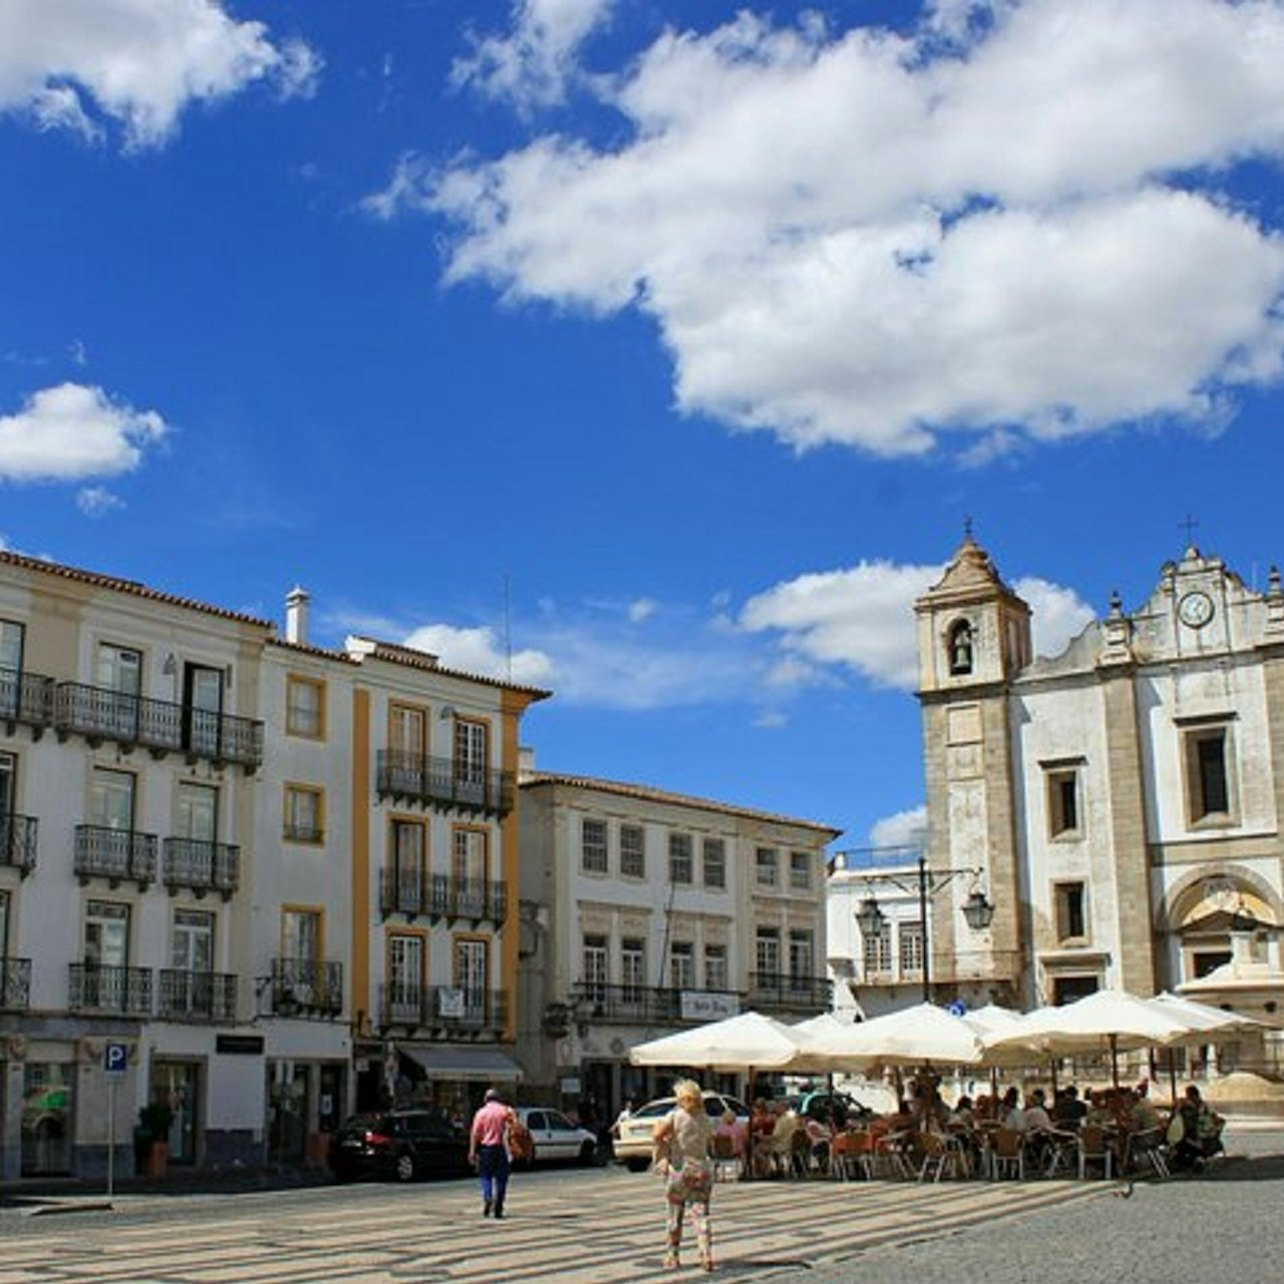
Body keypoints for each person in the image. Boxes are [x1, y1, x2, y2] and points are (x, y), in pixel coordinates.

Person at [652, 1079, 715, 1272]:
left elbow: (656, 1135)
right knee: (700, 1213)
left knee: (674, 1214)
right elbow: (709, 1142)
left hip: (680, 1170)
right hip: (702, 1170)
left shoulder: (675, 1116)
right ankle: (705, 1254)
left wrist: (665, 1140)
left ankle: (673, 1256)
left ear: (680, 1098)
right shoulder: (706, 1119)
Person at [468, 1087, 516, 1218]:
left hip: (486, 1149)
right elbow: (515, 1128)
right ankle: (499, 1204)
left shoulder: (481, 1113)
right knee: (502, 1178)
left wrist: (472, 1151)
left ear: (486, 1099)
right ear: (498, 1098)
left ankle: (488, 1197)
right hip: (501, 1149)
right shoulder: (505, 1111)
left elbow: (475, 1134)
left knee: (485, 1176)